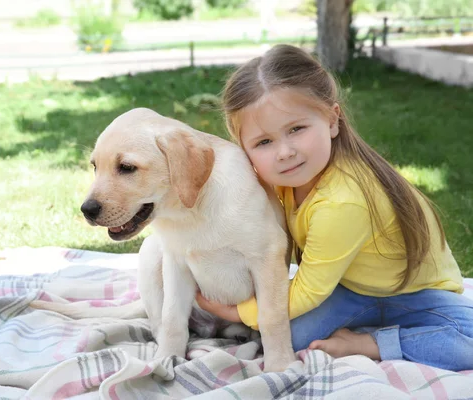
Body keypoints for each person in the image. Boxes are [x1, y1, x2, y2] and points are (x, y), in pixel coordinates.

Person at [195, 44, 473, 372]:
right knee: (293, 337)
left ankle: (370, 343)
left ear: (332, 120)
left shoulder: (343, 201)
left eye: (296, 129)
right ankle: (371, 329)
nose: (284, 152)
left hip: (415, 292)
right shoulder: (278, 181)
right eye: (264, 142)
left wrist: (239, 313)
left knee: (467, 347)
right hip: (350, 287)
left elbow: (309, 292)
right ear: (243, 148)